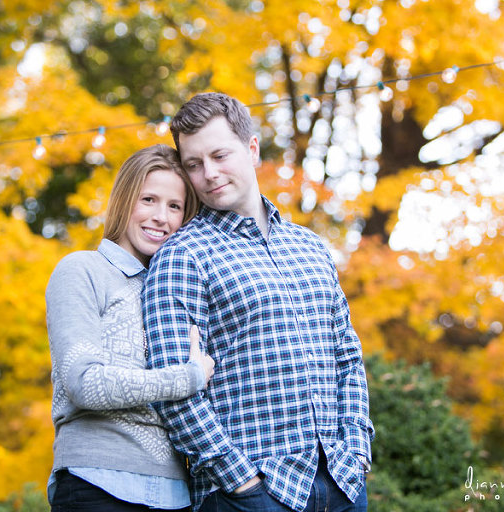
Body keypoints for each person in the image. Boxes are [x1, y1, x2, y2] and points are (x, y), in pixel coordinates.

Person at [143, 93, 374, 512]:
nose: (209, 173)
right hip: (253, 494)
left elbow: (347, 356)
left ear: (251, 149)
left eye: (219, 155)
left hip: (341, 484)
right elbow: (172, 386)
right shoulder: (181, 256)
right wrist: (241, 481)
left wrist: (356, 451)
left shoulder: (311, 247)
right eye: (194, 164)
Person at [45, 144, 215, 512]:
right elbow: (84, 384)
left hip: (178, 495)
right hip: (96, 483)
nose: (161, 217)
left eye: (175, 206)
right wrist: (186, 378)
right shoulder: (82, 270)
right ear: (124, 201)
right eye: (149, 199)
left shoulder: (178, 287)